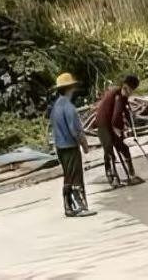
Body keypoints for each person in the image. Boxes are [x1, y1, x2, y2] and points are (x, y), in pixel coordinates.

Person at [50, 72, 95, 217]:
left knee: (68, 176)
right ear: (70, 88)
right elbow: (75, 130)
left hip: (60, 147)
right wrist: (84, 145)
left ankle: (68, 207)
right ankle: (80, 206)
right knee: (76, 176)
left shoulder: (55, 106)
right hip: (70, 146)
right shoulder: (69, 107)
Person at [94, 73, 141, 187]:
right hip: (104, 125)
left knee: (123, 148)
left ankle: (131, 175)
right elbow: (116, 117)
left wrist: (129, 125)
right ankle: (114, 179)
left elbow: (124, 112)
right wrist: (119, 130)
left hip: (110, 125)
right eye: (130, 90)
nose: (131, 93)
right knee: (109, 150)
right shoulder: (118, 95)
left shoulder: (122, 96)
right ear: (125, 87)